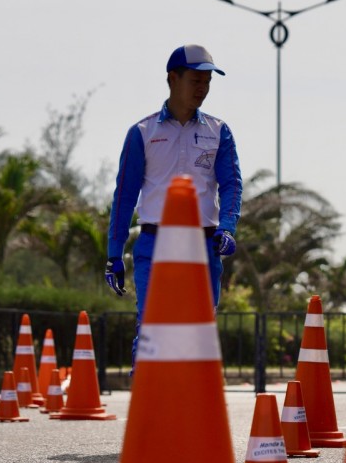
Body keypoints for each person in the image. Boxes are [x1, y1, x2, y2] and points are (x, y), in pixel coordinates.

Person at [104, 44, 243, 363]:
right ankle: (148, 403)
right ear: (172, 79)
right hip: (155, 243)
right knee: (152, 328)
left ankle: (195, 409)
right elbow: (124, 195)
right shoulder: (142, 132)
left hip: (204, 244)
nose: (203, 88)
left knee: (200, 331)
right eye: (195, 80)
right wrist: (114, 254)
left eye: (207, 81)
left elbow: (232, 184)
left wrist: (228, 228)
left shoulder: (219, 132)